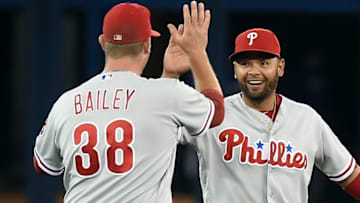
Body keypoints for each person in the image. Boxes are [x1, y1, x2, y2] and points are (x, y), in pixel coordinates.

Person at [32, 1, 224, 202]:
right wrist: (197, 53)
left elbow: (43, 164)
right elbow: (216, 111)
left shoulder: (66, 102)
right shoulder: (166, 95)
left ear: (102, 42)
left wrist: (169, 75)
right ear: (148, 45)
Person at [164, 28, 360, 202]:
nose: (254, 71)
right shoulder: (212, 115)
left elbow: (350, 175)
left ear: (280, 67)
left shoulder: (306, 119)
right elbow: (159, 129)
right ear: (235, 70)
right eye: (245, 63)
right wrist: (170, 75)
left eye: (264, 63)